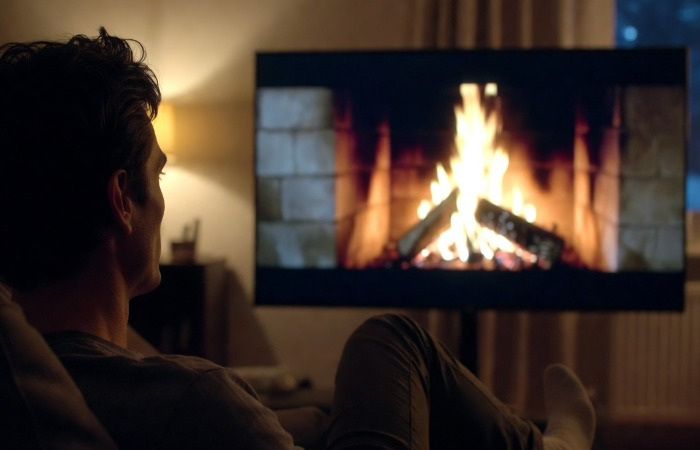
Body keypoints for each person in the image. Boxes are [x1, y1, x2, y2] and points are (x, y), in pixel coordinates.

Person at [0, 28, 595, 450]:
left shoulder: (23, 384)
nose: (162, 198)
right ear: (122, 200)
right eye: (158, 175)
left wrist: (281, 421)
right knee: (390, 338)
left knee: (336, 403)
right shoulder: (195, 399)